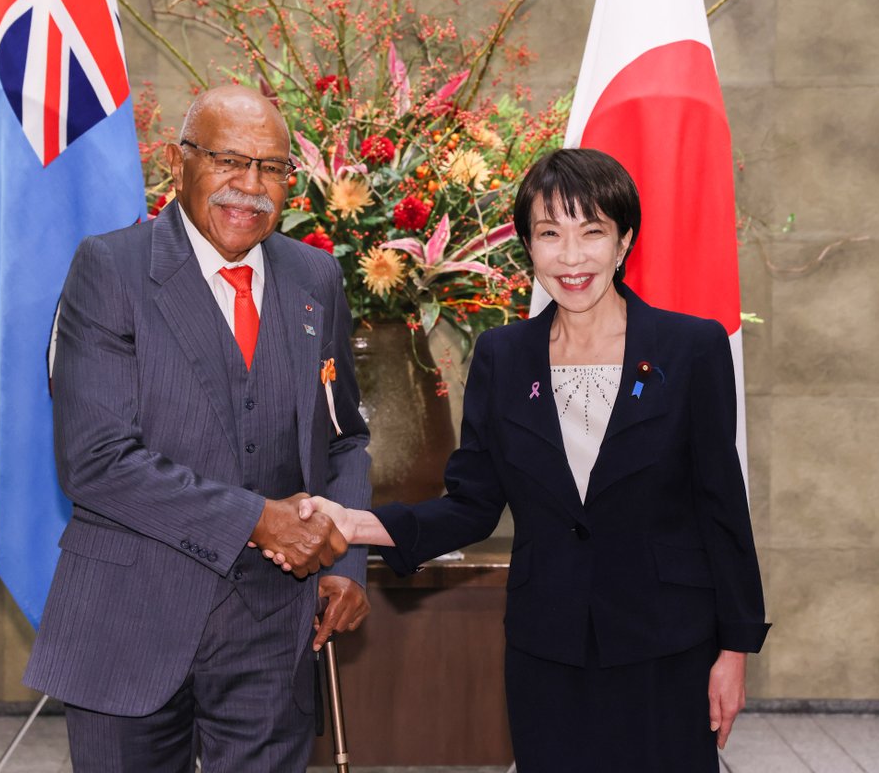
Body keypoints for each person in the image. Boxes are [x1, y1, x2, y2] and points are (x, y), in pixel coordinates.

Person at [299, 148, 769, 771]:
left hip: (668, 642)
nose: (571, 257)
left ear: (624, 241)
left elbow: (722, 505)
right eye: (550, 234)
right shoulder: (503, 355)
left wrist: (733, 650)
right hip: (548, 642)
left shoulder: (691, 347)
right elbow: (472, 503)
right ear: (527, 245)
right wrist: (355, 523)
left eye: (592, 232)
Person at [23, 85, 372, 772]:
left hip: (274, 627)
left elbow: (344, 437)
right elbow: (95, 461)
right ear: (179, 163)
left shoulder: (316, 277)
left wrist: (348, 556)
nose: (250, 187)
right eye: (228, 161)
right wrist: (258, 520)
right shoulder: (110, 270)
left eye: (270, 168)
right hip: (130, 621)